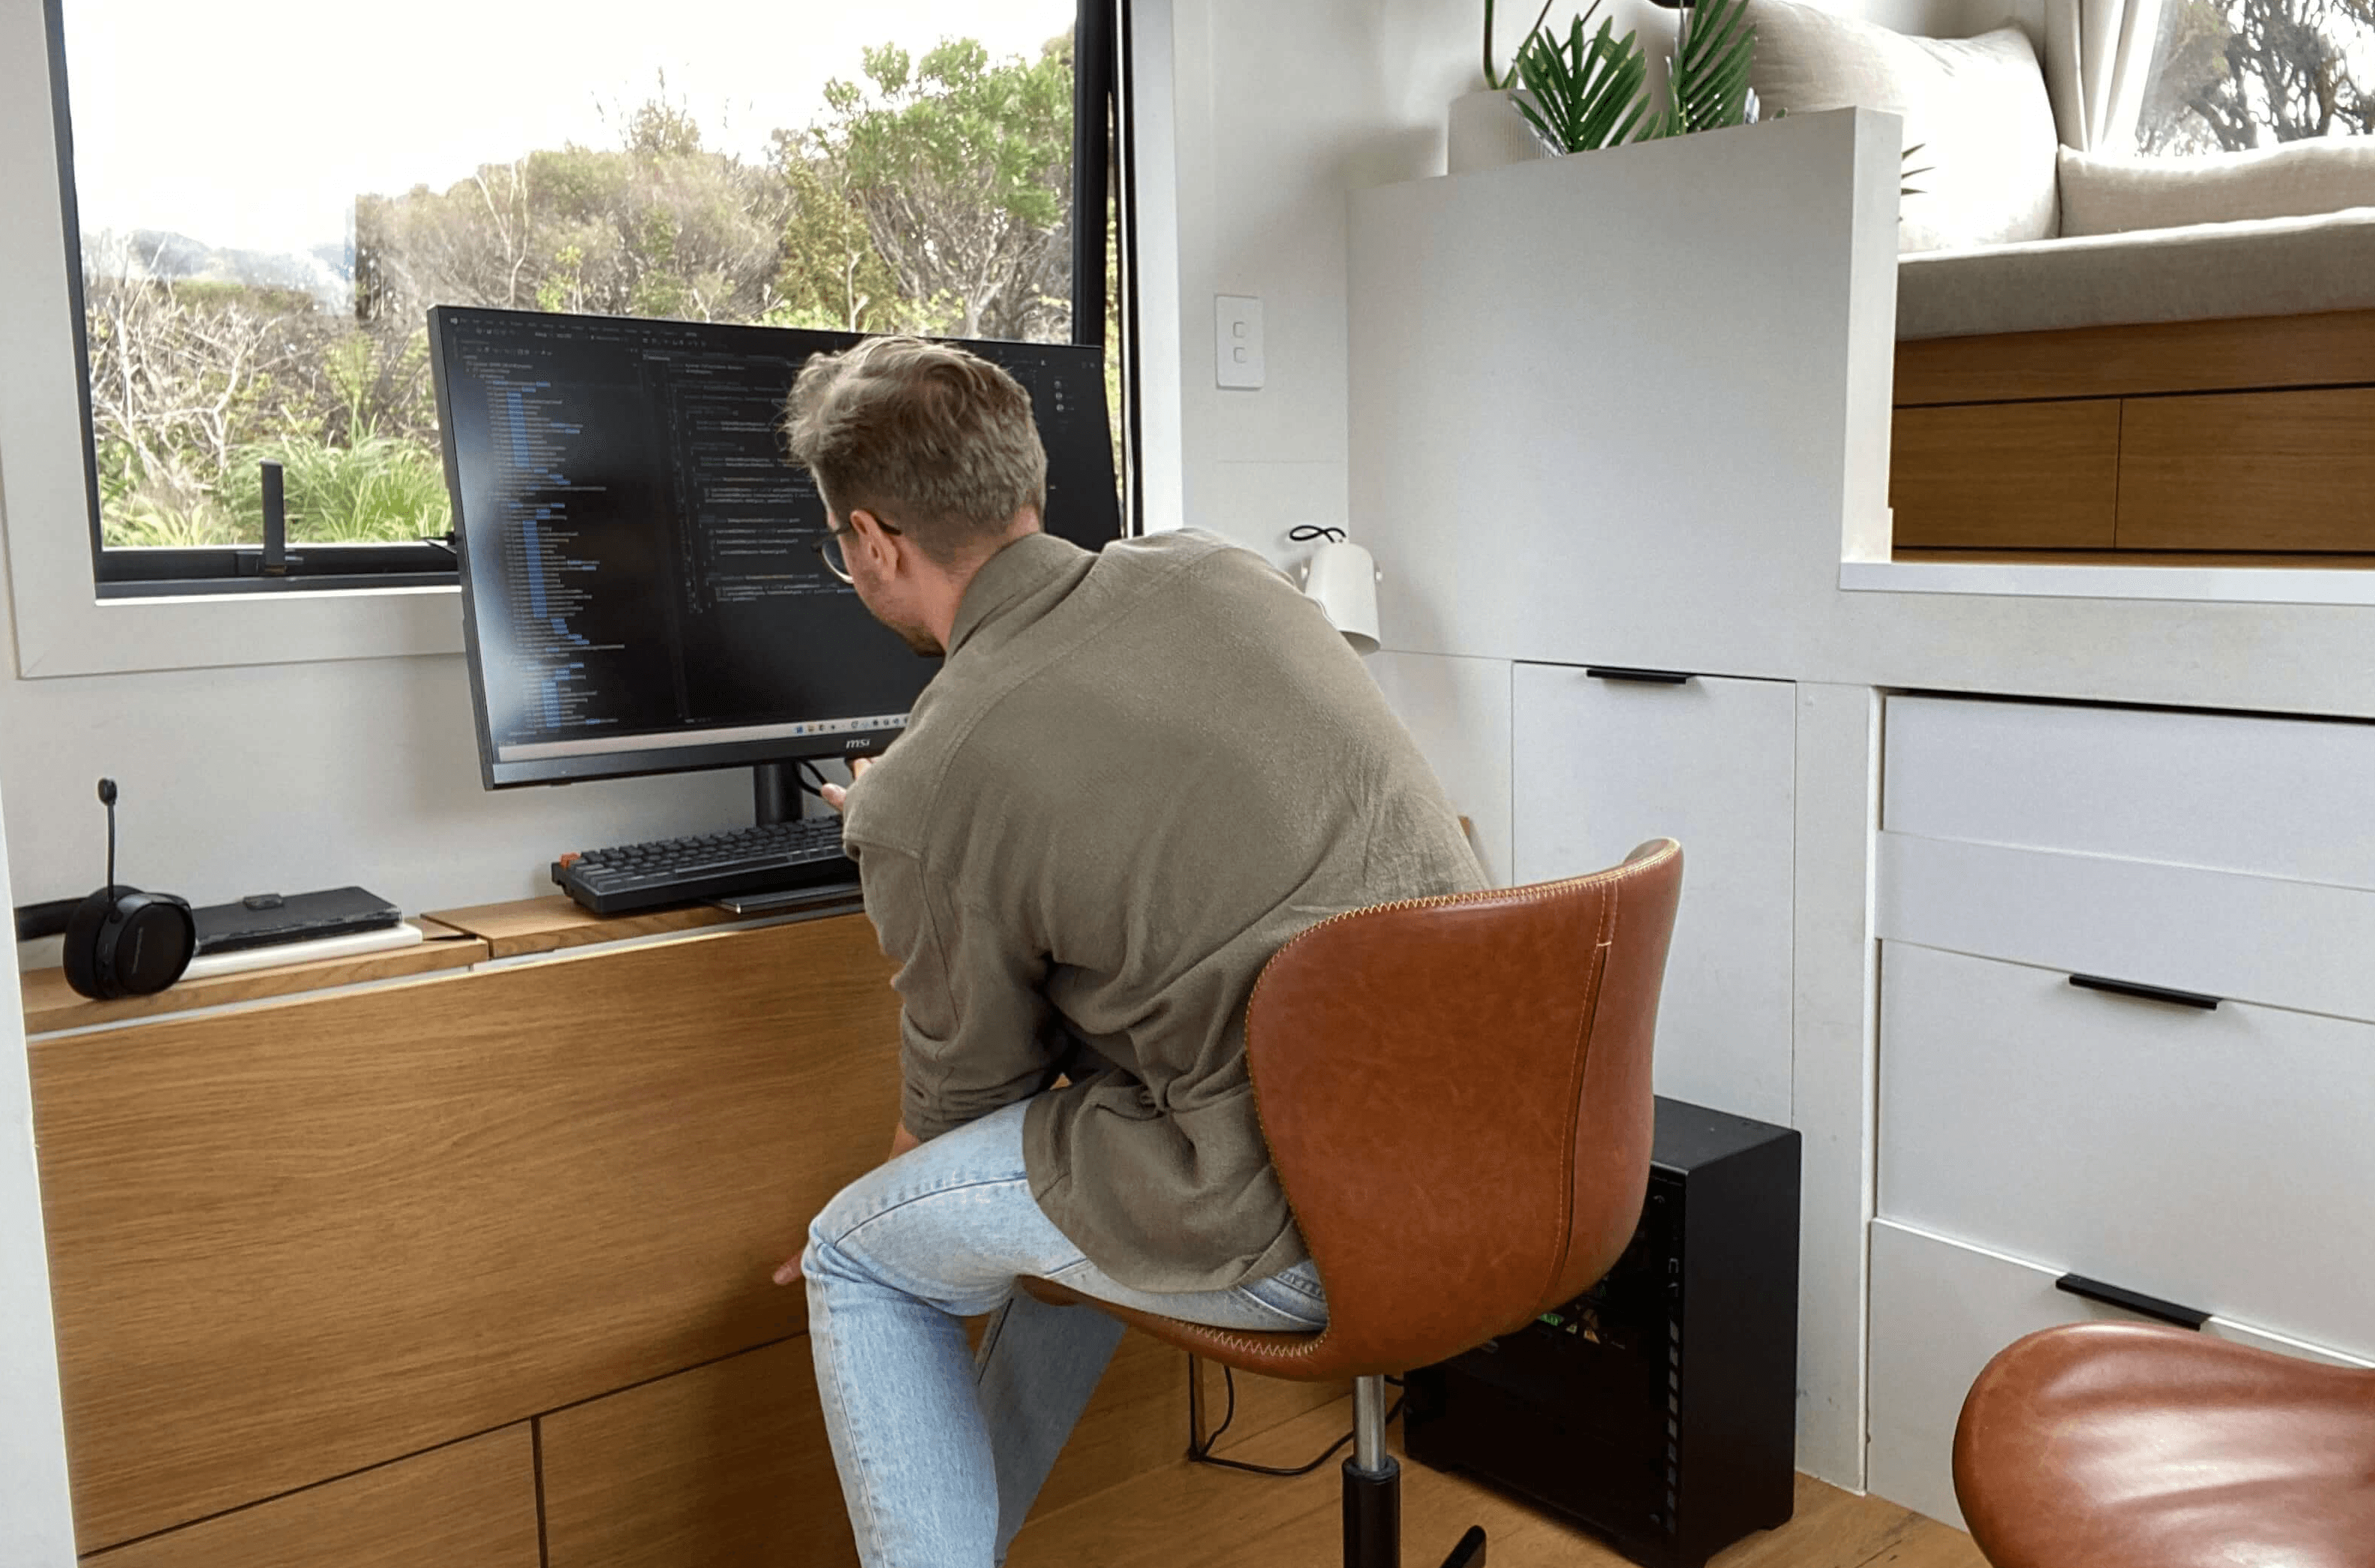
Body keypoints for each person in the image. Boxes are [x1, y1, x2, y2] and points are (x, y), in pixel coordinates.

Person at [771, 335, 1481, 1568]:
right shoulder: (1223, 572)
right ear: (1023, 484)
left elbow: (962, 1104)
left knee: (858, 1252)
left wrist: (906, 825)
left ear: (875, 541)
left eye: (844, 545)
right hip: (1510, 1159)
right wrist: (930, 820)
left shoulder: (935, 780)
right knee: (1080, 1147)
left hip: (1313, 1230)